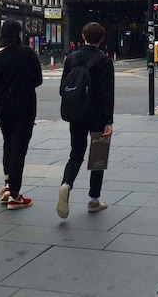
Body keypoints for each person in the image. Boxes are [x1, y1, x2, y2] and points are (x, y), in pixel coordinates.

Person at [57, 22, 114, 219]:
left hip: (77, 112)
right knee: (97, 157)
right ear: (102, 38)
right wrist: (109, 120)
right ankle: (93, 200)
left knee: (76, 154)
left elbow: (63, 87)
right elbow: (108, 95)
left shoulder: (71, 59)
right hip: (98, 115)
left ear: (83, 36)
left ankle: (66, 184)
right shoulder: (105, 61)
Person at [0, 19, 43, 209]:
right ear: (18, 34)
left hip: (2, 104)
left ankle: (7, 185)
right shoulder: (27, 53)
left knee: (8, 142)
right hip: (24, 103)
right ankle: (15, 195)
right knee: (20, 147)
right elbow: (38, 79)